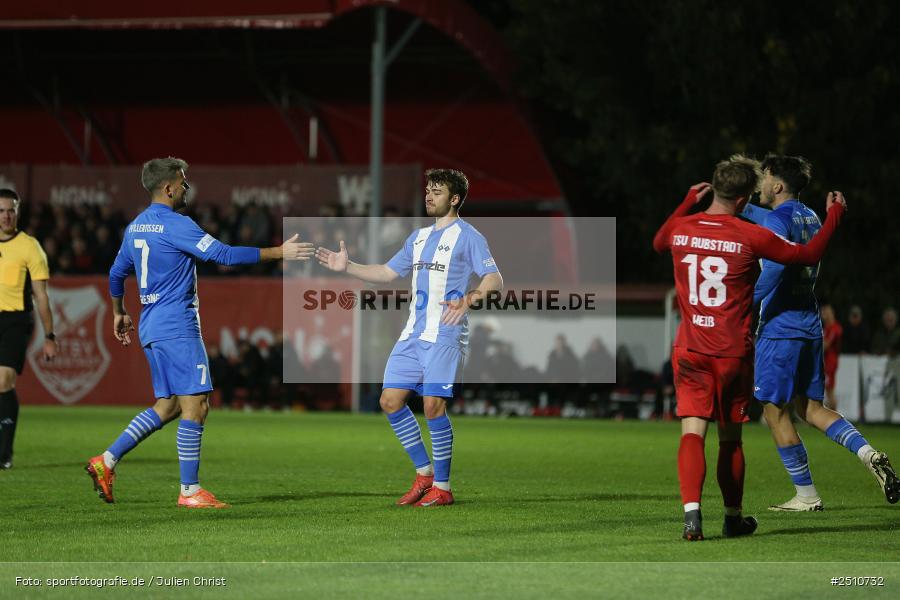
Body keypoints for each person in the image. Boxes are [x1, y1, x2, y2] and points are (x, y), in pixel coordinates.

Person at [84, 157, 313, 508]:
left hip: (151, 326)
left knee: (169, 406)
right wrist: (278, 252)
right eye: (184, 182)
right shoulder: (177, 225)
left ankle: (107, 460)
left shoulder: (135, 228)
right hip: (177, 326)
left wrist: (118, 312)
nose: (187, 187)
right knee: (198, 405)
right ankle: (189, 491)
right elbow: (224, 255)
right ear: (169, 188)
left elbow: (116, 274)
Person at [653, 154, 846, 541]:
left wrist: (688, 201)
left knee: (692, 432)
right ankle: (731, 518)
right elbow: (808, 255)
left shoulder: (682, 228)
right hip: (731, 353)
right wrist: (835, 216)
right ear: (744, 201)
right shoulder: (748, 234)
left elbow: (659, 241)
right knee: (730, 439)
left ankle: (691, 515)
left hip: (690, 349)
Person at [316, 168, 503, 507]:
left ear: (455, 199)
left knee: (433, 406)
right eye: (428, 189)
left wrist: (470, 299)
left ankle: (443, 488)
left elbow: (494, 279)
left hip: (446, 331)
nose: (429, 195)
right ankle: (424, 475)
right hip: (412, 334)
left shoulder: (469, 236)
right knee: (390, 401)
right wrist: (349, 267)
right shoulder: (416, 237)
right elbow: (387, 273)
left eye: (438, 191)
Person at [742, 155, 898, 511]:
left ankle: (807, 495)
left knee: (774, 413)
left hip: (780, 329)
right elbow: (758, 215)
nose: (760, 185)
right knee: (811, 408)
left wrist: (742, 303)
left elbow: (774, 270)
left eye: (764, 178)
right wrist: (732, 202)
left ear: (777, 185)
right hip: (810, 325)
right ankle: (868, 453)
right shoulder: (809, 215)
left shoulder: (779, 220)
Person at [0, 189, 58, 469]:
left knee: (4, 381)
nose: (5, 216)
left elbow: (42, 296)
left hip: (15, 320)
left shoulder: (30, 247)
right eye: (0, 211)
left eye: (10, 210)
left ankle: (5, 453)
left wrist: (49, 335)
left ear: (17, 212)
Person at [821, 304, 842, 410]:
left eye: (826, 313)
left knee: (829, 390)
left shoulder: (834, 328)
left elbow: (826, 345)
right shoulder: (827, 328)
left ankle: (836, 417)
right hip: (826, 361)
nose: (823, 316)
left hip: (830, 362)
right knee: (827, 389)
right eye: (823, 313)